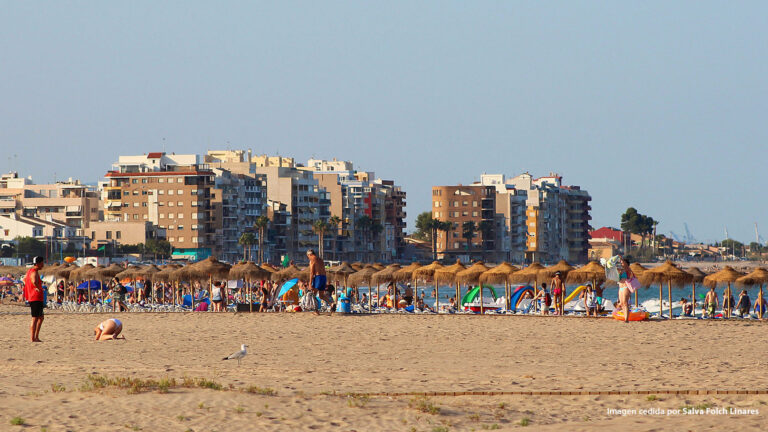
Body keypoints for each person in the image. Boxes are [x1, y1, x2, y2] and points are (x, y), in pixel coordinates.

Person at [23, 256, 45, 342]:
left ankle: (36, 337)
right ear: (39, 263)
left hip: (33, 297)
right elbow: (34, 281)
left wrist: (30, 287)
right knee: (35, 318)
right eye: (42, 263)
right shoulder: (34, 272)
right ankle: (33, 338)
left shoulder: (29, 271)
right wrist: (36, 287)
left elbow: (25, 280)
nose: (43, 264)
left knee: (40, 317)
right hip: (35, 297)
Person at [307, 249, 333, 313]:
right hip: (323, 277)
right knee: (321, 295)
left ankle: (316, 310)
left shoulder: (312, 260)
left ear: (310, 254)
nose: (308, 257)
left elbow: (311, 272)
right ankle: (331, 303)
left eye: (308, 256)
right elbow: (324, 270)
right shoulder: (320, 260)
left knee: (313, 294)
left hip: (318, 277)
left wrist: (310, 283)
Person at [617, 256, 635, 323]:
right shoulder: (620, 270)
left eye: (622, 263)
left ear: (626, 263)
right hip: (620, 287)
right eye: (621, 263)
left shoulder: (628, 270)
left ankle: (626, 319)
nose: (621, 264)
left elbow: (630, 276)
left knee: (625, 302)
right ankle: (625, 317)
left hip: (625, 287)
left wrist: (620, 258)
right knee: (621, 303)